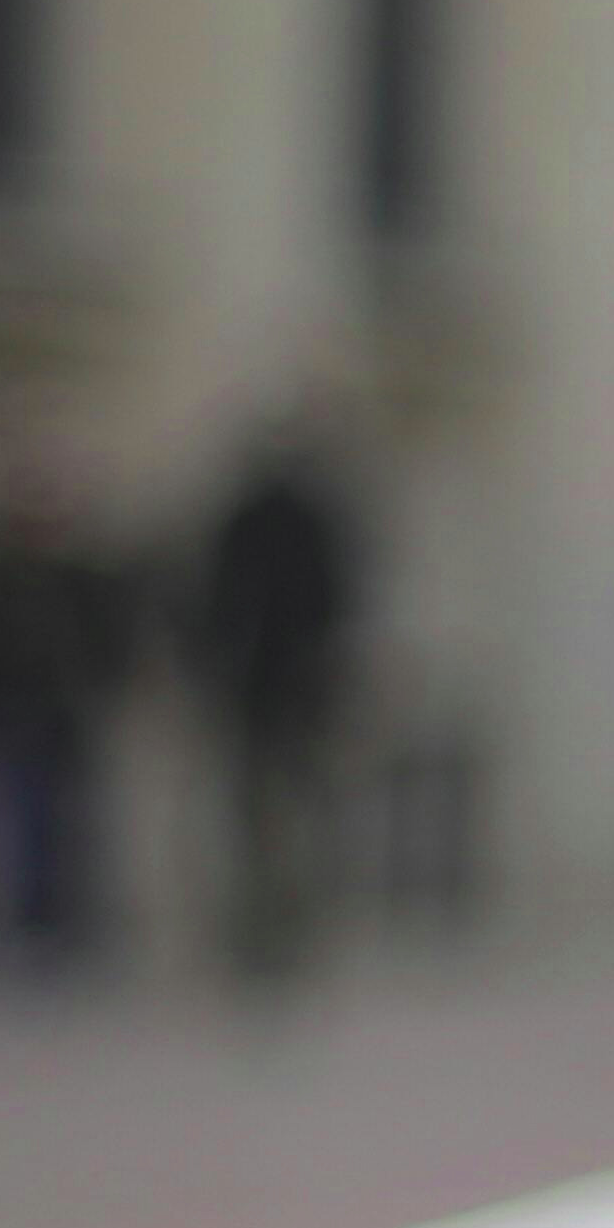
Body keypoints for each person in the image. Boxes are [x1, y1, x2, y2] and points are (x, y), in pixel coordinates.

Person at [187, 397, 377, 992]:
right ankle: (273, 916)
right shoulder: (276, 518)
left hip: (285, 685)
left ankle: (293, 914)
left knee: (291, 803)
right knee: (269, 806)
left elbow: (331, 603)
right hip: (266, 686)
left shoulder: (299, 519)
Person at [0, 448, 138, 984]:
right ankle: (15, 928)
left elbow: (110, 645)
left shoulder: (84, 579)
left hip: (65, 717)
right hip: (7, 715)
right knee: (11, 825)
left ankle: (63, 927)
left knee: (66, 826)